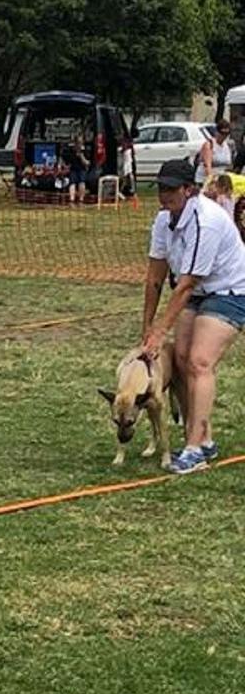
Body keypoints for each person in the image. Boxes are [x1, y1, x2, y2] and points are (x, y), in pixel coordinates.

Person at [140, 157, 245, 474]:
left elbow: (185, 285)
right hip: (198, 293)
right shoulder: (163, 220)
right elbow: (155, 277)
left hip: (231, 291)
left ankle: (195, 448)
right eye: (161, 188)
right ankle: (204, 439)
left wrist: (160, 332)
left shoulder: (206, 221)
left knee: (199, 361)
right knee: (182, 360)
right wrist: (146, 327)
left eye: (172, 189)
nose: (165, 195)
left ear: (190, 189)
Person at [63, 135, 89, 205]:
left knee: (82, 182)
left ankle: (81, 199)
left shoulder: (85, 150)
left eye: (80, 142)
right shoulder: (71, 150)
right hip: (73, 168)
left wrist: (81, 156)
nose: (79, 144)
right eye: (78, 142)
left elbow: (87, 162)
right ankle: (72, 199)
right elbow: (67, 161)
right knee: (72, 183)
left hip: (82, 169)